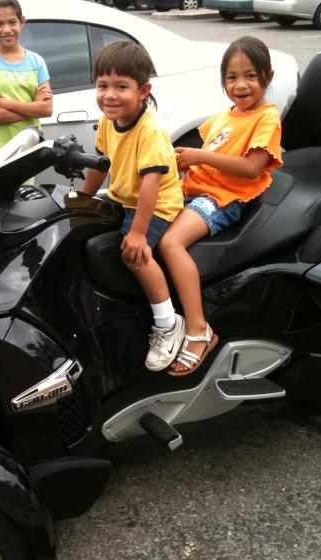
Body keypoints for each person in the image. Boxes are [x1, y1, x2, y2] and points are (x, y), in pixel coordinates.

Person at [158, 36, 282, 376]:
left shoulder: (265, 119)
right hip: (191, 189)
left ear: (267, 78)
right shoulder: (226, 115)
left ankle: (199, 331)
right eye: (232, 77)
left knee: (171, 243)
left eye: (250, 76)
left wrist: (198, 156)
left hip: (221, 198)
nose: (240, 85)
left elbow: (251, 168)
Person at [81, 40, 186, 372]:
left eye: (121, 86)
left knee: (136, 256)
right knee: (76, 223)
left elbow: (152, 184)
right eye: (103, 85)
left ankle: (168, 323)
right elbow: (100, 165)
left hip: (157, 204)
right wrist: (83, 200)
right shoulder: (109, 120)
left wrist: (139, 233)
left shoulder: (150, 131)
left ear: (143, 91)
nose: (110, 95)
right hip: (123, 194)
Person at [0, 0, 52, 165]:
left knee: (25, 192)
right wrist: (33, 108)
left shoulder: (37, 62)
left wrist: (3, 102)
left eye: (12, 22)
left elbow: (47, 109)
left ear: (22, 22)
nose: (7, 29)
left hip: (28, 146)